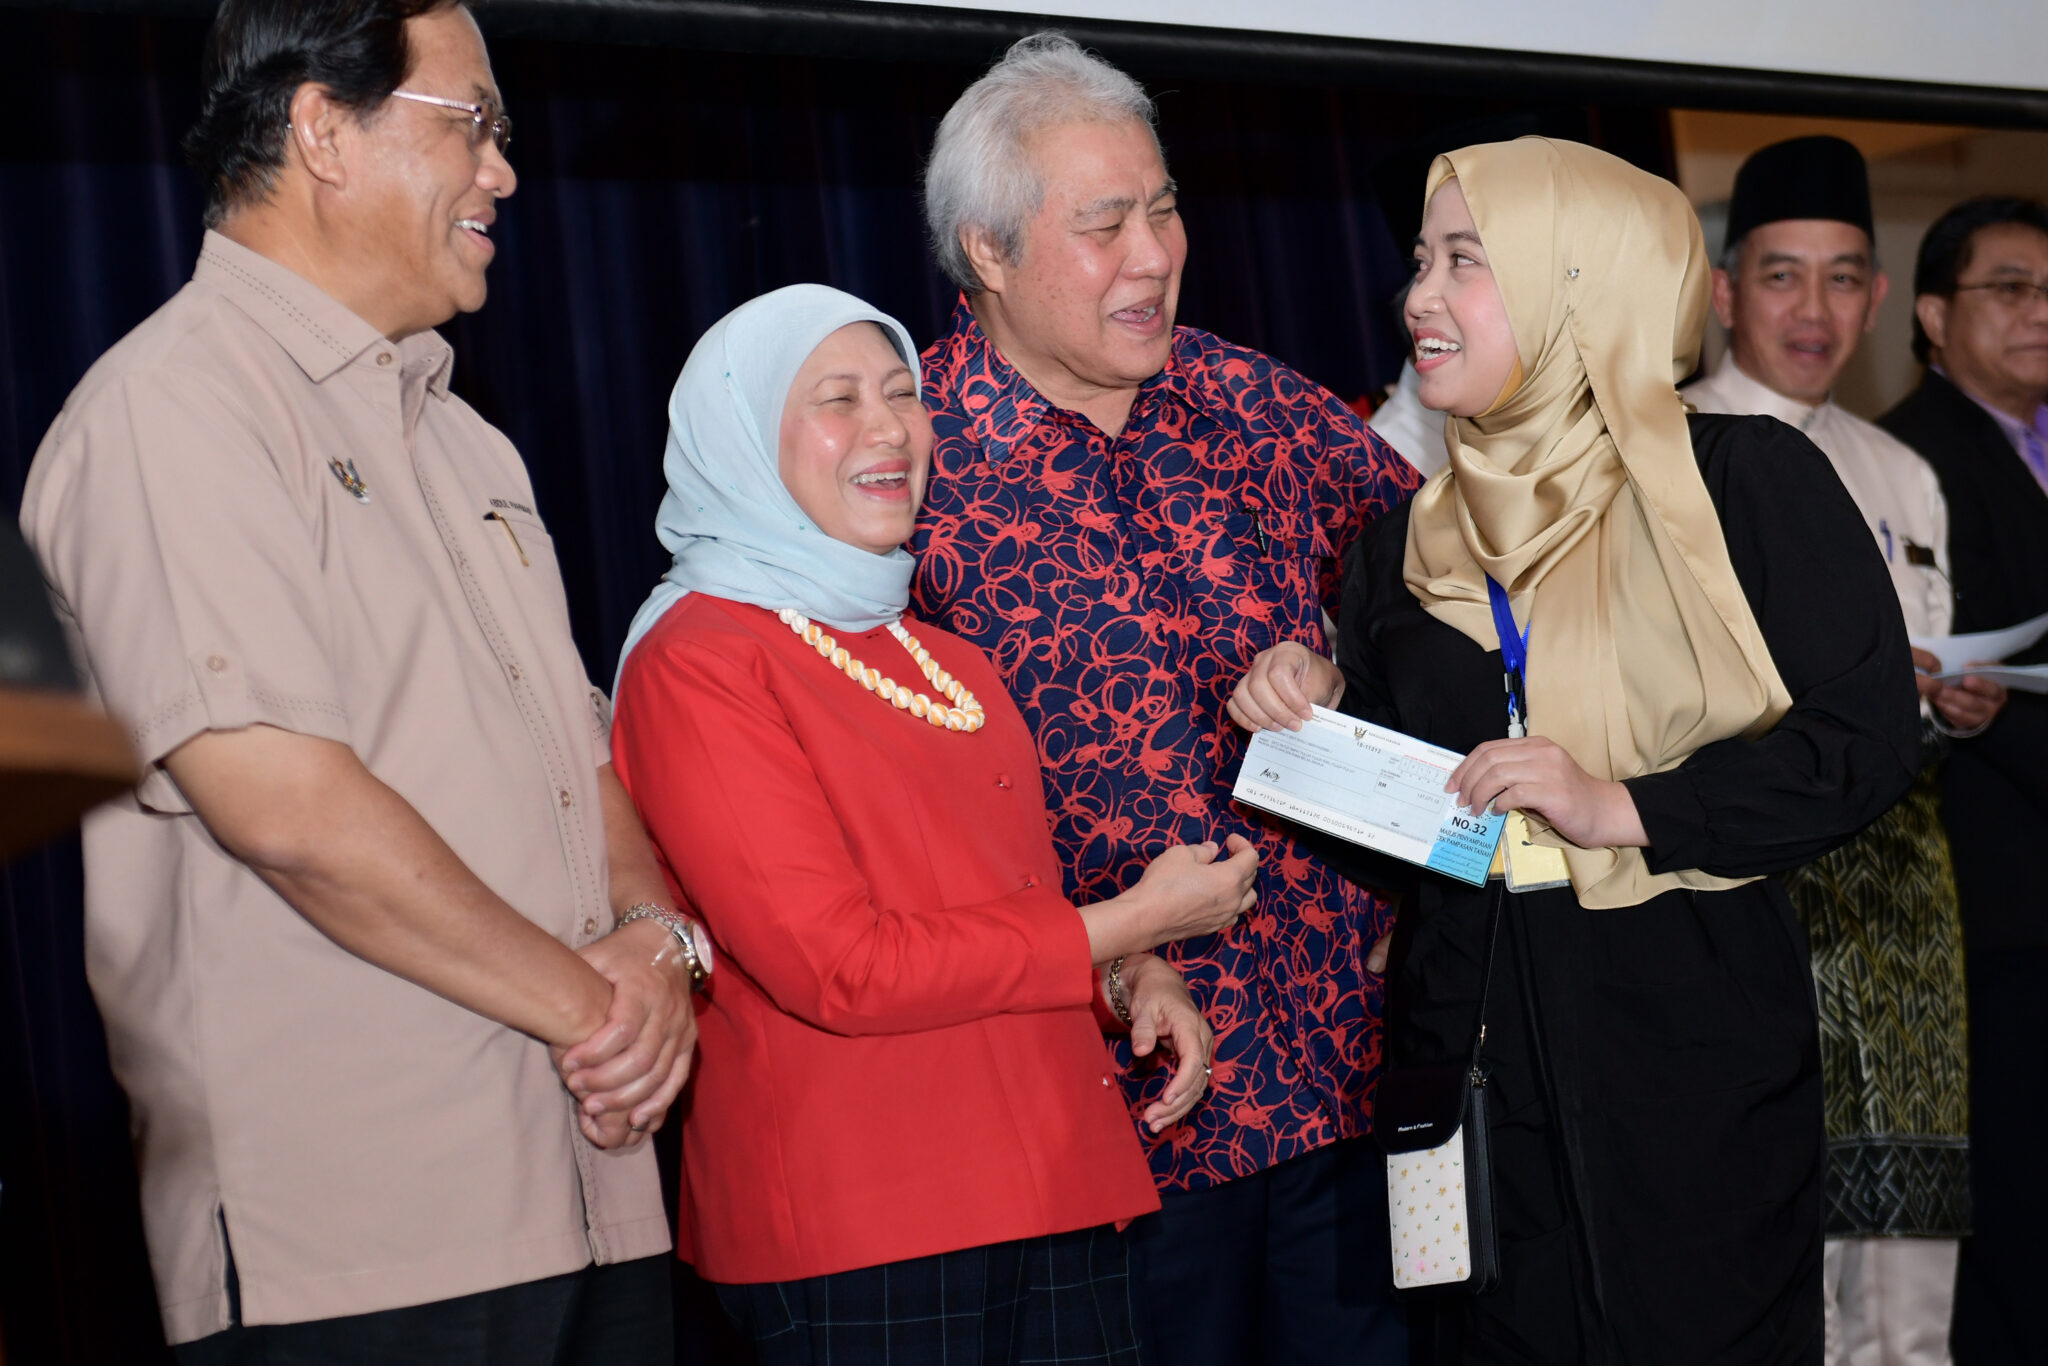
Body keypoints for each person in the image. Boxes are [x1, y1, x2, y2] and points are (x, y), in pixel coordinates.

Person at [19, 0, 694, 1358]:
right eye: (473, 124)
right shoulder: (173, 407)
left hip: (590, 1187)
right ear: (323, 131)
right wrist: (601, 1009)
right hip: (358, 1242)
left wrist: (655, 939)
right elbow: (284, 806)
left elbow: (584, 755)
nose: (504, 171)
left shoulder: (470, 445)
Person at [1231, 137, 1920, 1363]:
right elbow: (1415, 832)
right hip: (1469, 1049)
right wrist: (1322, 712)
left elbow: (1860, 741)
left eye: (1465, 261)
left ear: (1579, 282)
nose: (1418, 297)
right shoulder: (1397, 546)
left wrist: (1625, 806)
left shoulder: (1737, 485)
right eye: (1418, 261)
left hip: (1686, 1033)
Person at [608, 283, 1254, 1364]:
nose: (887, 428)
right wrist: (1129, 922)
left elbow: (993, 918)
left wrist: (1124, 979)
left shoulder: (944, 657)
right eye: (837, 399)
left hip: (1054, 1182)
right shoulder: (699, 656)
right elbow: (838, 967)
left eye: (902, 394)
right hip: (864, 1219)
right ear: (742, 438)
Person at [911, 32, 1421, 1364]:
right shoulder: (904, 468)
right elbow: (884, 810)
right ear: (987, 251)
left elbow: (1449, 598)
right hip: (1105, 1114)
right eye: (1102, 225)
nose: (1151, 254)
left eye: (1163, 207)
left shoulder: (1253, 404)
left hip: (1345, 1066)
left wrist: (1348, 676)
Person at [1685, 136, 2000, 1366]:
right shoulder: (1668, 451)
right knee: (1773, 1213)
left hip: (1899, 876)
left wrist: (1949, 701)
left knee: (1907, 1228)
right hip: (1750, 871)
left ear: (1874, 302)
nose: (1810, 309)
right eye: (1780, 276)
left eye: (1840, 278)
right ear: (1724, 294)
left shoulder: (1901, 469)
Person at [1879, 196, 2048, 1366]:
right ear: (1933, 316)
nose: (2038, 313)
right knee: (2017, 1198)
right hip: (1994, 889)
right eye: (2009, 289)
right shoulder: (1913, 458)